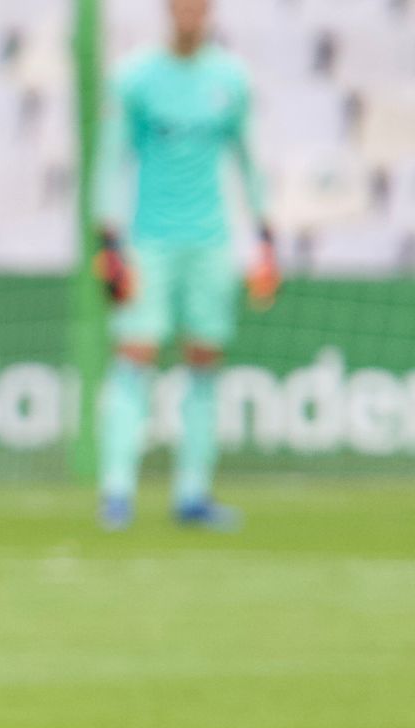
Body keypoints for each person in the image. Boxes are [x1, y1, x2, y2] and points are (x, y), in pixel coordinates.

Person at [92, 0, 277, 532]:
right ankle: (116, 490)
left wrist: (264, 233)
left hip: (211, 243)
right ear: (168, 10)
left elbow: (248, 157)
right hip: (148, 242)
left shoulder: (230, 78)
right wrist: (109, 237)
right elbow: (111, 157)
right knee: (136, 354)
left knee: (204, 360)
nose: (191, 13)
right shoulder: (135, 77)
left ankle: (192, 491)